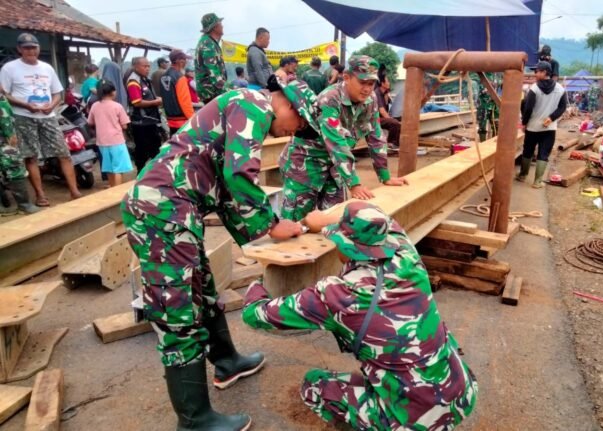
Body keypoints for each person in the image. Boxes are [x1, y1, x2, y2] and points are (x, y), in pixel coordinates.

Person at [122, 80, 318, 430]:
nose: (293, 133)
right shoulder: (254, 105)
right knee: (178, 312)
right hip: (161, 209)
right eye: (299, 125)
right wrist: (271, 224)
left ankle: (227, 361)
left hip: (178, 210)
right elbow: (239, 174)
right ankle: (194, 419)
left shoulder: (247, 110)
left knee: (203, 289)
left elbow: (227, 190)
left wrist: (260, 239)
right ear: (288, 104)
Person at [242, 201, 478, 430]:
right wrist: (320, 221)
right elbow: (378, 215)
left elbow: (255, 315)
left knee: (314, 384)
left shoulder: (339, 295)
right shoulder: (406, 252)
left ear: (346, 247)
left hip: (415, 421)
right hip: (460, 394)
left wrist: (257, 283)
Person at [278, 55, 408, 222]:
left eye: (371, 83)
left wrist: (385, 176)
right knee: (295, 224)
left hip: (336, 169)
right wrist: (353, 183)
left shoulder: (371, 100)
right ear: (346, 77)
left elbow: (375, 136)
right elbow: (336, 142)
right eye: (362, 82)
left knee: (335, 220)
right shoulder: (330, 98)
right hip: (306, 166)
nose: (367, 89)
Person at [0, 33, 81, 206]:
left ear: (38, 48)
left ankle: (74, 191)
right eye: (26, 48)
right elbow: (4, 94)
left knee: (64, 153)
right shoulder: (9, 68)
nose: (31, 51)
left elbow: (57, 93)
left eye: (33, 47)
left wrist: (52, 106)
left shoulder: (47, 68)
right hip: (23, 116)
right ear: (19, 49)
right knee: (30, 156)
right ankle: (40, 195)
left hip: (48, 116)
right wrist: (25, 105)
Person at [517, 61, 566, 188]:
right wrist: (551, 117)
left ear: (544, 72)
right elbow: (562, 107)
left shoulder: (534, 89)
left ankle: (522, 175)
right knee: (543, 153)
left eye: (537, 71)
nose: (535, 73)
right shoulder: (560, 89)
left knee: (528, 150)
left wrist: (524, 123)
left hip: (533, 127)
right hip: (549, 128)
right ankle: (537, 181)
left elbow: (527, 108)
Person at [0, 93, 40, 215]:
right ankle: (24, 204)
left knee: (14, 167)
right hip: (5, 142)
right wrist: (11, 139)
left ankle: (24, 204)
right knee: (15, 166)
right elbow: (7, 124)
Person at [87, 82, 132, 187]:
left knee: (109, 167)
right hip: (116, 140)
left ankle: (112, 189)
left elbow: (90, 122)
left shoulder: (95, 105)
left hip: (102, 141)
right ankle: (117, 193)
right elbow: (125, 125)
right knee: (118, 169)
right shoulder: (117, 106)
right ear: (112, 92)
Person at [126, 56, 164, 172]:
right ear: (136, 67)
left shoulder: (144, 79)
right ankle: (141, 173)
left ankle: (156, 172)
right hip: (141, 122)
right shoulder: (133, 81)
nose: (147, 68)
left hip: (150, 120)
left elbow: (146, 96)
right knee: (142, 150)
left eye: (148, 66)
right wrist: (155, 102)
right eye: (144, 66)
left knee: (155, 148)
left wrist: (155, 98)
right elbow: (137, 102)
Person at [159, 50, 195, 136]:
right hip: (181, 120)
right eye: (185, 60)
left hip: (170, 118)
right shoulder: (180, 77)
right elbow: (184, 101)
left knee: (174, 145)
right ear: (180, 61)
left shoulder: (163, 76)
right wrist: (193, 119)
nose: (186, 62)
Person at [195, 13, 229, 103]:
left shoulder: (209, 41)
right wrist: (228, 92)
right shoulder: (208, 44)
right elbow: (213, 73)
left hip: (212, 92)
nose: (222, 26)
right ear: (214, 27)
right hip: (211, 92)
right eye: (220, 24)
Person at [374, 66, 400, 148]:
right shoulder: (377, 93)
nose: (389, 83)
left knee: (400, 119)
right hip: (375, 119)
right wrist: (391, 119)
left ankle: (397, 142)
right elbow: (382, 111)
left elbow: (388, 105)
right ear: (382, 84)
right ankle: (391, 143)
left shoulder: (385, 93)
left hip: (382, 118)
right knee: (394, 123)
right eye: (387, 81)